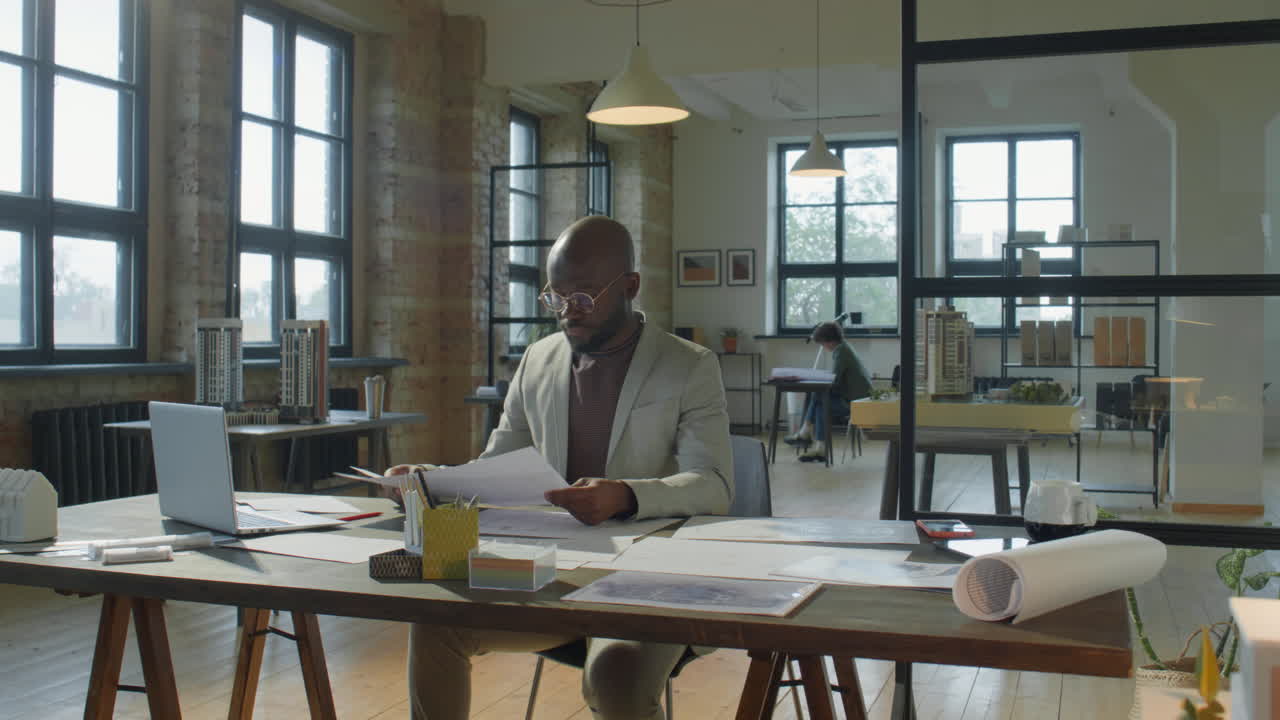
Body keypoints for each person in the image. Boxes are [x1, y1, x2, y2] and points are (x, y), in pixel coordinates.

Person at [394, 215, 734, 720]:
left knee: (615, 674)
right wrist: (429, 481)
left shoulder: (689, 365)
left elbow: (714, 485)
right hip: (549, 573)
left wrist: (625, 495)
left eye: (584, 297)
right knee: (434, 623)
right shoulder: (537, 360)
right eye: (556, 297)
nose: (568, 312)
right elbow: (497, 469)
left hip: (647, 582)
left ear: (631, 286)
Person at [783, 321, 873, 461]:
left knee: (819, 397)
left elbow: (835, 382)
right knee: (821, 403)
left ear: (828, 340)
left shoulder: (841, 352)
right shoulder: (844, 348)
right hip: (857, 399)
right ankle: (818, 447)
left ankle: (807, 434)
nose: (823, 347)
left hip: (856, 403)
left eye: (822, 343)